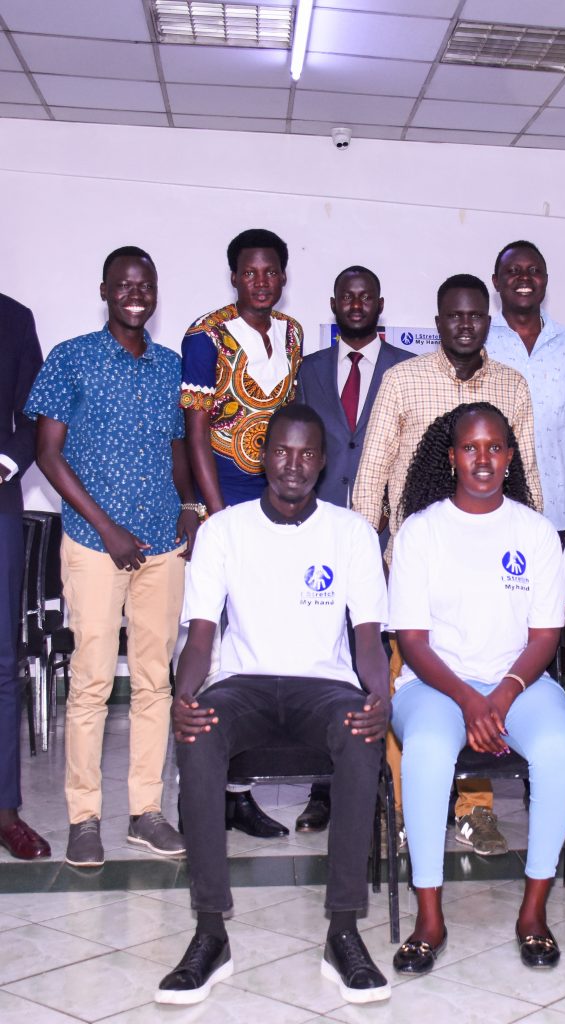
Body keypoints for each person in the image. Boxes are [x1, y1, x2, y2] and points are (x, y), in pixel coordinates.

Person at [156, 404, 391, 1005]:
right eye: (282, 451)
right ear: (263, 457)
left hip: (324, 685)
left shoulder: (352, 533)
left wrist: (380, 696)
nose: (293, 464)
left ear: (323, 461)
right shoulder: (224, 531)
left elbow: (368, 637)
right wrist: (184, 695)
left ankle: (343, 932)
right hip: (245, 682)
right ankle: (210, 933)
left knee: (361, 733)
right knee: (199, 732)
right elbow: (201, 635)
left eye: (306, 453)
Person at [353, 273, 542, 857]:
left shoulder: (511, 385)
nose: (465, 324)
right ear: (437, 323)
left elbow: (527, 475)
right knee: (413, 693)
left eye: (476, 315)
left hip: (492, 575)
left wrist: (536, 554)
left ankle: (474, 813)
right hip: (413, 569)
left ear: (489, 320)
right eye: (454, 315)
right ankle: (408, 812)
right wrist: (364, 564)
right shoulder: (402, 380)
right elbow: (372, 474)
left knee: (481, 680)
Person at [388, 402, 565, 974]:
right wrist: (470, 700)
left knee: (561, 748)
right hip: (434, 684)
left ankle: (533, 912)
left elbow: (546, 635)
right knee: (427, 750)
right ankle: (429, 917)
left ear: (510, 456)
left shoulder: (535, 532)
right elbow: (412, 641)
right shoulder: (421, 531)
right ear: (451, 457)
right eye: (470, 448)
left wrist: (502, 693)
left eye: (494, 447)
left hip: (519, 681)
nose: (482, 459)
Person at [27, 246, 199, 868]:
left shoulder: (169, 365)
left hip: (162, 546)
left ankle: (146, 813)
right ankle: (84, 818)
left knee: (156, 682)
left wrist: (189, 506)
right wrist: (108, 529)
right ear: (104, 290)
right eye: (124, 284)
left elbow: (177, 447)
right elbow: (48, 454)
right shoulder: (70, 357)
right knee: (93, 683)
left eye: (145, 284)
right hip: (94, 545)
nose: (135, 293)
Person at [181, 227, 302, 840]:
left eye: (271, 272)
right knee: (215, 651)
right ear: (233, 276)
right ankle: (203, 790)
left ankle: (239, 791)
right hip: (224, 506)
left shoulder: (293, 333)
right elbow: (196, 435)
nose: (261, 282)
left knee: (260, 642)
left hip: (279, 509)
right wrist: (217, 514)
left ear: (283, 276)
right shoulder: (204, 337)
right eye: (249, 272)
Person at [292, 265, 413, 834]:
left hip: (384, 535)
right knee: (325, 652)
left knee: (380, 654)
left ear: (380, 304)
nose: (357, 303)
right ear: (334, 303)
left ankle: (383, 777)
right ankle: (323, 787)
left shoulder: (406, 369)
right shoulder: (310, 370)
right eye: (348, 296)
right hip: (320, 533)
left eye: (366, 296)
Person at [486, 240, 565, 541]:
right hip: (493, 512)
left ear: (546, 281)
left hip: (558, 516)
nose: (524, 277)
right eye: (513, 271)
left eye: (534, 270)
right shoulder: (480, 342)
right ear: (496, 281)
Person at [0, 293, 48, 860]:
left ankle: (5, 812)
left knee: (2, 664)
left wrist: (5, 463)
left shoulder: (13, 318)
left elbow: (36, 415)